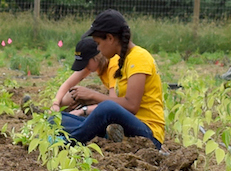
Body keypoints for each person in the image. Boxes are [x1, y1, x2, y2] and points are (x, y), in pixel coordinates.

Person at [52, 9, 165, 147]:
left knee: (107, 108)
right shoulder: (122, 60)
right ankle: (105, 137)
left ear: (110, 38)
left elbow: (131, 106)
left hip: (147, 133)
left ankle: (69, 142)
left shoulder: (138, 57)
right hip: (125, 127)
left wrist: (92, 95)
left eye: (98, 43)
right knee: (56, 119)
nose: (98, 49)